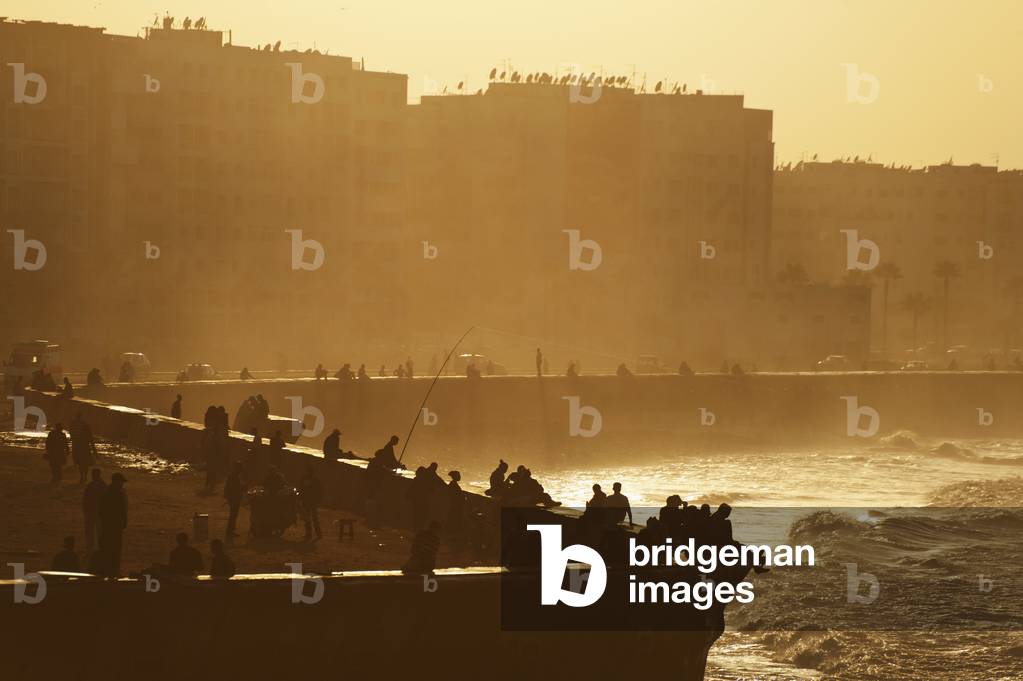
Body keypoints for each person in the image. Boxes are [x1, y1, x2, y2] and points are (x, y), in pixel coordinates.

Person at [98, 473, 128, 577]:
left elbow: (101, 511)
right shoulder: (114, 494)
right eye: (121, 482)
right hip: (113, 526)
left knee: (111, 549)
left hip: (110, 526)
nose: (122, 484)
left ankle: (111, 570)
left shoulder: (109, 492)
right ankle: (113, 571)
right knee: (113, 549)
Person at [69, 413, 98, 484]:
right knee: (85, 464)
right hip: (85, 450)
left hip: (78, 449)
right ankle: (84, 477)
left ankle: (82, 477)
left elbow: (72, 438)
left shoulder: (75, 427)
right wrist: (95, 452)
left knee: (80, 464)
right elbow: (91, 441)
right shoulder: (86, 429)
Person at [82, 469, 106, 553]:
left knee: (97, 531)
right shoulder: (100, 485)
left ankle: (97, 547)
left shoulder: (100, 486)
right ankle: (91, 547)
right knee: (91, 531)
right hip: (92, 512)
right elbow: (85, 499)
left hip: (97, 512)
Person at [298, 464, 323, 541]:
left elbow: (301, 489)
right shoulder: (315, 479)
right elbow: (319, 491)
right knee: (311, 518)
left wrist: (300, 498)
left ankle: (310, 534)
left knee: (309, 518)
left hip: (309, 501)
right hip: (311, 501)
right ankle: (316, 534)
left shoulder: (307, 479)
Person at [224, 462, 245, 540]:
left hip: (233, 498)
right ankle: (230, 532)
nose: (241, 470)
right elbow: (235, 489)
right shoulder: (234, 477)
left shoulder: (234, 476)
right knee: (233, 516)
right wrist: (243, 488)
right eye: (240, 468)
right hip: (234, 498)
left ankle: (230, 531)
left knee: (233, 516)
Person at [446, 471, 465, 537]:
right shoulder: (453, 485)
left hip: (454, 505)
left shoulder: (452, 485)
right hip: (455, 505)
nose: (459, 477)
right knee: (453, 518)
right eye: (458, 475)